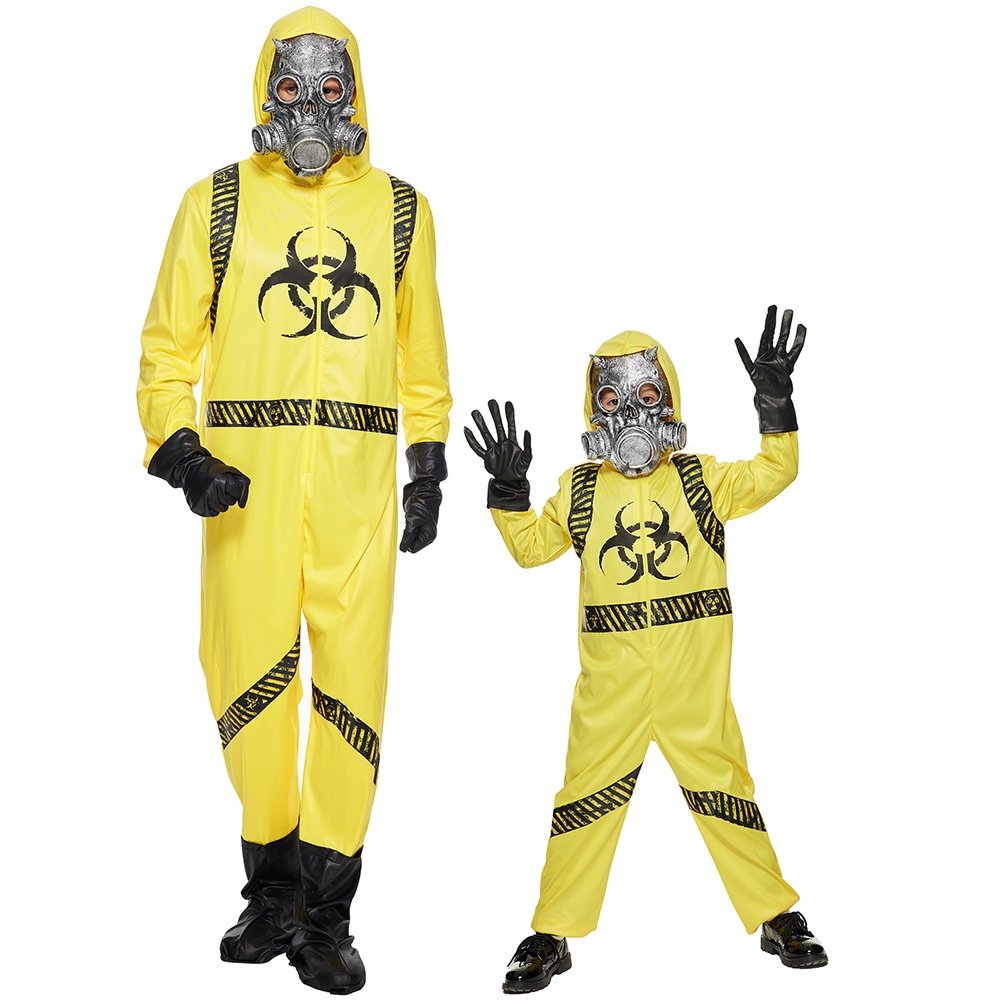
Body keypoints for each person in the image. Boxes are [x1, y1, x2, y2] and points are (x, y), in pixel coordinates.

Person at [137, 7, 450, 994]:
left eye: (329, 87)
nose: (310, 107)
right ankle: (271, 888)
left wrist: (428, 467)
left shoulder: (401, 212)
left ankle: (327, 913)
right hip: (247, 493)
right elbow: (166, 348)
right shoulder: (215, 204)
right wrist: (183, 453)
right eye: (290, 87)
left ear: (356, 93)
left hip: (357, 494)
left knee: (352, 691)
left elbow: (422, 357)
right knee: (248, 683)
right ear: (263, 92)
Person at [465, 307, 826, 994]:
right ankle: (552, 932)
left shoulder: (701, 481)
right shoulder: (580, 490)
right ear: (592, 408)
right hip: (611, 688)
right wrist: (509, 493)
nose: (630, 412)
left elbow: (776, 471)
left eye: (648, 394)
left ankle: (776, 914)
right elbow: (531, 549)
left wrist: (775, 408)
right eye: (611, 399)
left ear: (671, 398)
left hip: (694, 682)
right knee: (584, 799)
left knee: (726, 791)